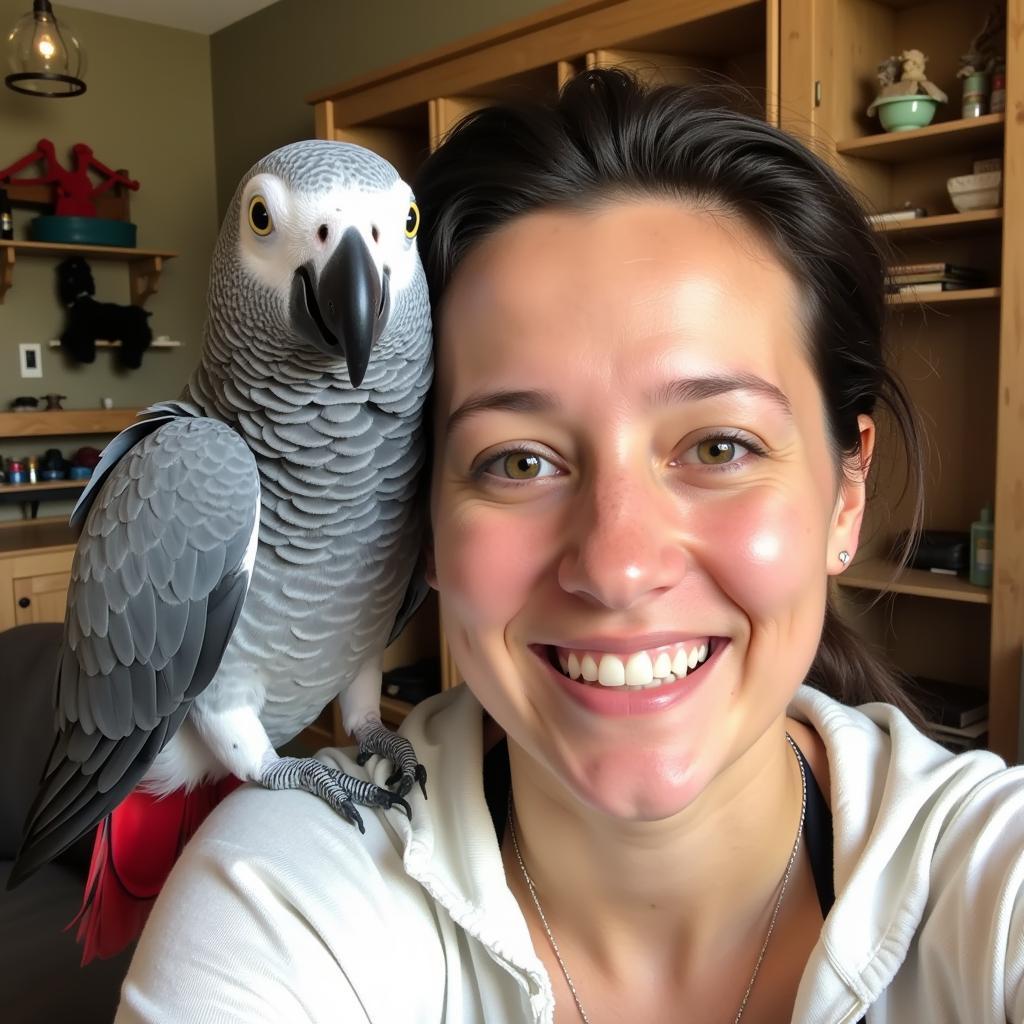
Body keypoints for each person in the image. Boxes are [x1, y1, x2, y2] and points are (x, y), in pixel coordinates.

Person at [116, 70, 1024, 1023]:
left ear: (848, 495)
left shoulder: (987, 880)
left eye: (720, 446)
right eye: (518, 461)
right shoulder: (282, 904)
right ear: (421, 524)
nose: (618, 567)